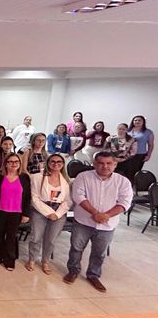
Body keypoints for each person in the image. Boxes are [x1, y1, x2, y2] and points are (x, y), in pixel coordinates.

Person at [63, 152, 132, 292]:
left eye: (109, 163)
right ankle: (73, 271)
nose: (105, 166)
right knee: (76, 248)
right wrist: (95, 213)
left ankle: (93, 275)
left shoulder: (123, 181)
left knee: (99, 252)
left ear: (115, 164)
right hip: (83, 221)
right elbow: (78, 196)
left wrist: (105, 215)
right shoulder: (83, 177)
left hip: (107, 224)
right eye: (101, 163)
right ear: (94, 164)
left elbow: (125, 203)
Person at [26, 154, 72, 274]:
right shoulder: (37, 177)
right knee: (36, 237)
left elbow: (68, 200)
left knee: (51, 239)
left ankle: (45, 261)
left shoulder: (66, 180)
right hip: (40, 209)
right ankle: (32, 259)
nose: (56, 164)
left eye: (59, 162)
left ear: (63, 164)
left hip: (59, 212)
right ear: (48, 163)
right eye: (53, 161)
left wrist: (57, 214)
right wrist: (48, 213)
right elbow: (34, 198)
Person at [0, 153, 31, 270]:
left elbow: (27, 197)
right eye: (11, 162)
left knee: (11, 237)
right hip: (1, 211)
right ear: (6, 164)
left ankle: (9, 260)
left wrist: (26, 214)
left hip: (16, 212)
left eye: (16, 162)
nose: (14, 164)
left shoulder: (24, 178)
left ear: (20, 164)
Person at [125, 115, 154, 182]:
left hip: (140, 155)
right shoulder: (128, 131)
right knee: (125, 172)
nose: (137, 121)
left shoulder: (148, 132)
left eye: (139, 120)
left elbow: (150, 145)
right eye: (135, 120)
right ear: (133, 121)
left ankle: (132, 187)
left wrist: (148, 155)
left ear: (143, 122)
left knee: (134, 173)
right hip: (127, 154)